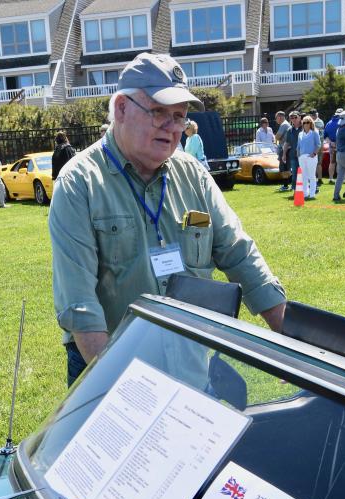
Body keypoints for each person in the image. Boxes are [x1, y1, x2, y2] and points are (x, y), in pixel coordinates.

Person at [49, 52, 286, 386]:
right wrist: (121, 391)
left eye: (179, 116)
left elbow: (238, 252)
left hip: (187, 365)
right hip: (107, 368)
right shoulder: (79, 183)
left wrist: (289, 335)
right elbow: (80, 306)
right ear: (121, 109)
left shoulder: (193, 174)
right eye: (159, 113)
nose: (173, 128)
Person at [297, 115, 320, 200]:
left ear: (311, 123)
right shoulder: (300, 134)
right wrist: (298, 155)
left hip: (311, 157)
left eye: (307, 122)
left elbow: (318, 145)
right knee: (304, 176)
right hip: (302, 157)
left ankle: (312, 194)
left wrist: (314, 154)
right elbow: (298, 146)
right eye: (304, 122)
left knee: (312, 176)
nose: (305, 124)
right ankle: (305, 194)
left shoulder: (314, 132)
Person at [283, 111, 302, 195]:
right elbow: (287, 143)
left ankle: (308, 190)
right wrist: (284, 154)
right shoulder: (289, 130)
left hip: (303, 155)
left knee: (305, 173)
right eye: (292, 118)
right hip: (293, 155)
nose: (294, 119)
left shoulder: (304, 128)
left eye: (295, 117)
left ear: (299, 117)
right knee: (294, 173)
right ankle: (295, 190)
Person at [324, 108, 344, 184]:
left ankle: (331, 178)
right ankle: (339, 178)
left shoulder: (328, 123)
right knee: (340, 163)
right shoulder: (342, 122)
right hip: (340, 145)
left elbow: (325, 136)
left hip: (331, 145)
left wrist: (331, 142)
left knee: (332, 162)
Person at [275, 111, 291, 191]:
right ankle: (289, 184)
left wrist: (277, 137)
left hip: (285, 149)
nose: (276, 120)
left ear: (280, 117)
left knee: (284, 168)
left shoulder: (284, 124)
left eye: (276, 118)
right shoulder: (287, 124)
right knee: (287, 167)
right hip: (287, 148)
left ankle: (285, 186)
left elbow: (277, 136)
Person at [310, 109, 325, 184]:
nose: (313, 116)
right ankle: (318, 178)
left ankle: (317, 179)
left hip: (316, 145)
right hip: (318, 144)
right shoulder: (320, 121)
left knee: (316, 163)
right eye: (312, 115)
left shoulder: (317, 122)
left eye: (314, 115)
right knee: (317, 163)